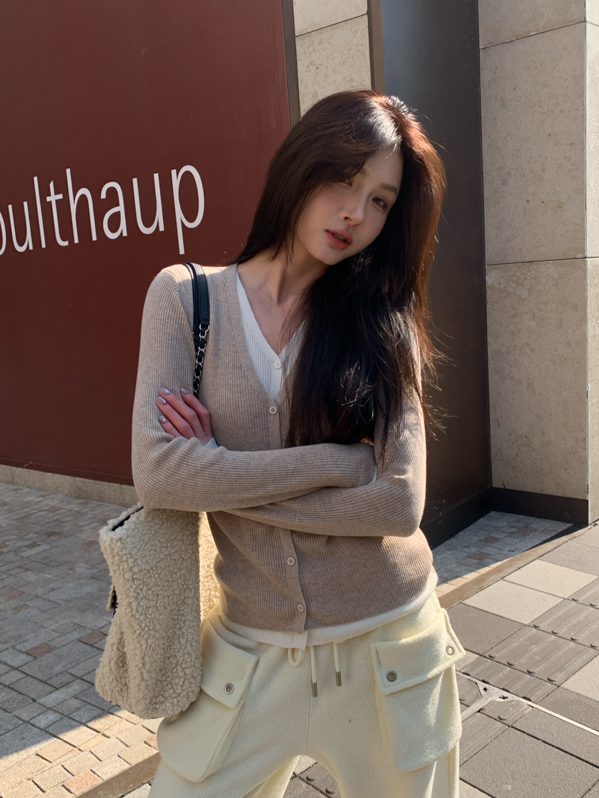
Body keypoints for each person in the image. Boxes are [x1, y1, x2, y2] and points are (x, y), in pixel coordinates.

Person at [133, 90, 463, 798]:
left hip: (389, 649)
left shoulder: (384, 322)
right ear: (302, 164)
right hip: (250, 657)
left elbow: (396, 506)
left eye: (380, 201)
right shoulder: (186, 300)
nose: (356, 214)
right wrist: (337, 464)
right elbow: (158, 476)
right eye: (345, 181)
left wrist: (218, 471)